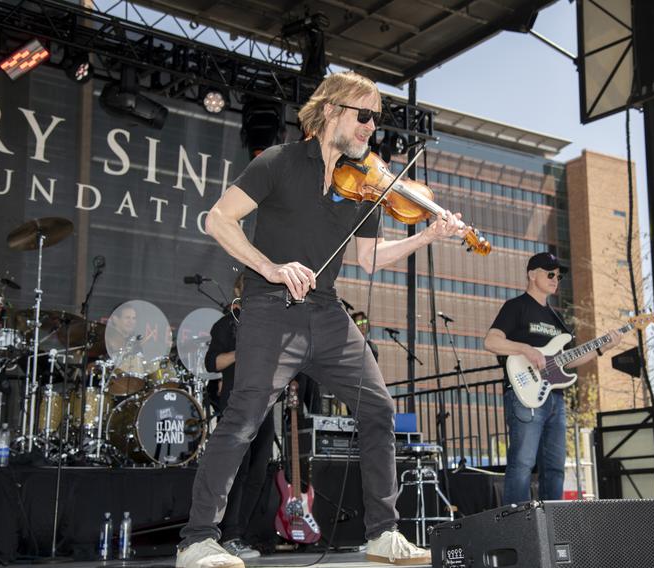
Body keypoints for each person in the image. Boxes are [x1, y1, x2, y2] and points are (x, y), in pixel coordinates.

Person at [176, 70, 468, 568]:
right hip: (272, 308)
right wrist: (270, 266)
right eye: (364, 114)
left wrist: (425, 237)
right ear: (331, 108)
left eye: (376, 118)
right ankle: (198, 539)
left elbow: (370, 260)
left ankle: (382, 533)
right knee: (243, 419)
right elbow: (218, 219)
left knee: (378, 410)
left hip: (328, 314)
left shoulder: (367, 186)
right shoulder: (279, 161)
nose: (371, 126)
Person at [483, 252, 623, 504]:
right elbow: (491, 342)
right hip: (524, 395)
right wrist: (526, 349)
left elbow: (566, 359)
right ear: (531, 274)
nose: (555, 279)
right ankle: (515, 523)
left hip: (555, 398)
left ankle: (551, 524)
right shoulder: (516, 306)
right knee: (522, 464)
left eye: (558, 276)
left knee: (555, 468)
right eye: (550, 273)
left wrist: (602, 347)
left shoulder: (555, 318)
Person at [204, 273, 272, 561]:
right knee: (237, 472)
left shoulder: (271, 324)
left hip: (265, 403)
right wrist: (240, 352)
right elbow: (212, 362)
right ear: (239, 290)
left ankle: (241, 533)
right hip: (236, 403)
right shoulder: (226, 324)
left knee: (258, 472)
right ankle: (228, 534)